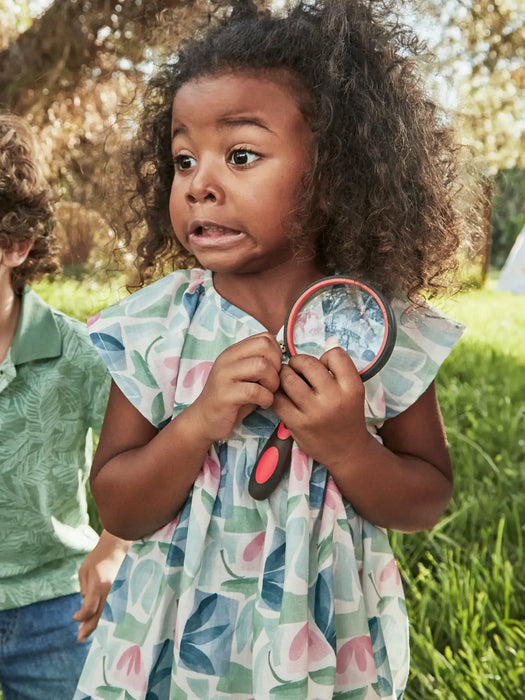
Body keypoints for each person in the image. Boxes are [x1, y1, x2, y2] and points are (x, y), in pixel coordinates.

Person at [74, 1, 474, 697]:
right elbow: (119, 506)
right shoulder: (158, 327)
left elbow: (424, 500)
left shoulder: (379, 327)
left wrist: (349, 447)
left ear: (331, 176)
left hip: (319, 646)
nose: (199, 182)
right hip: (172, 641)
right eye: (182, 158)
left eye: (240, 155)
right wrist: (195, 424)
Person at [0, 112, 130, 699]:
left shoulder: (77, 353)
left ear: (16, 243)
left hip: (56, 607)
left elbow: (140, 466)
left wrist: (112, 547)